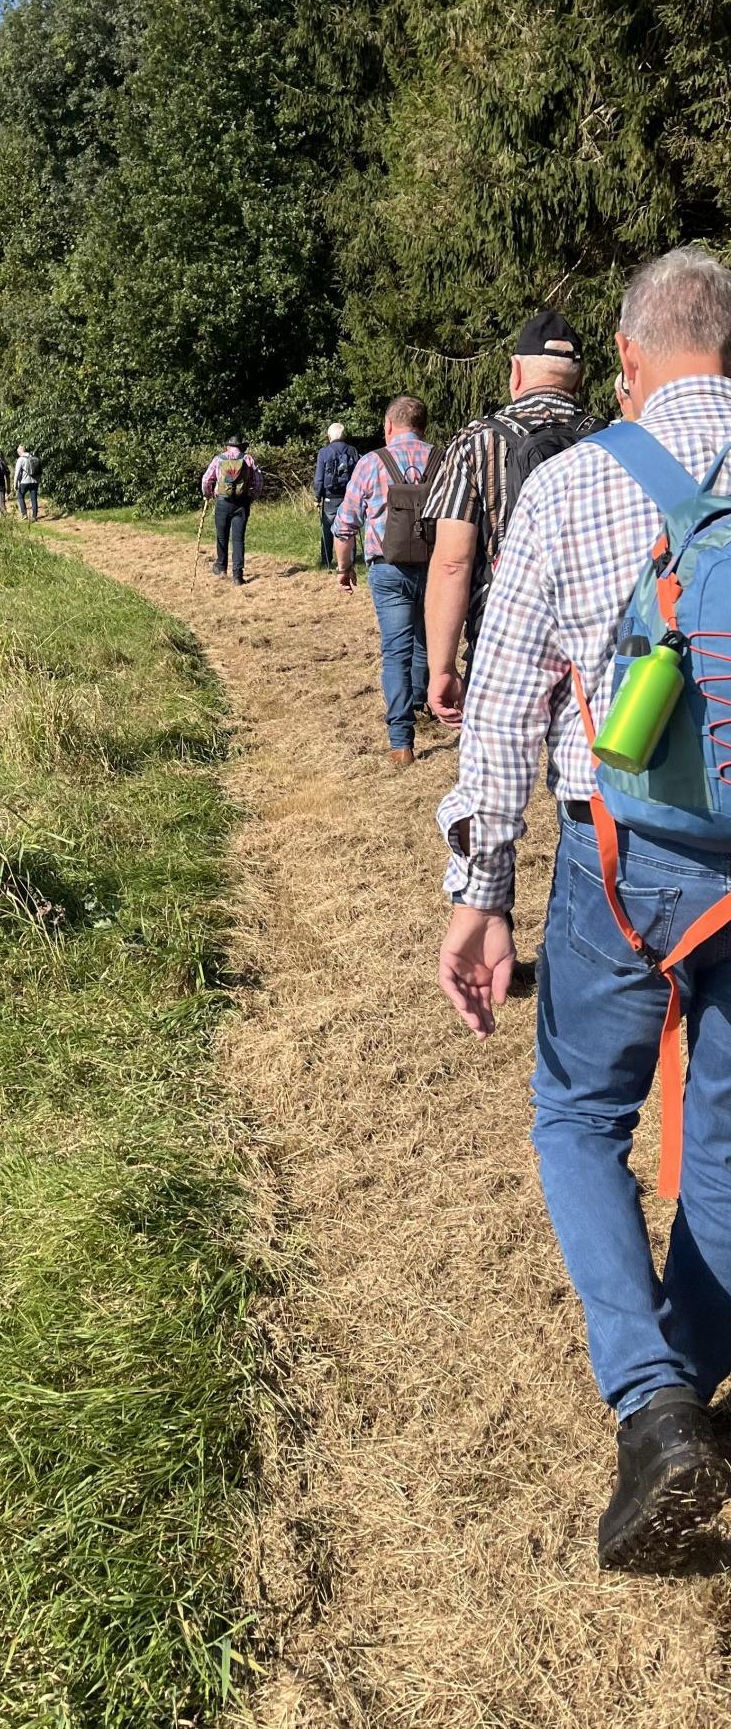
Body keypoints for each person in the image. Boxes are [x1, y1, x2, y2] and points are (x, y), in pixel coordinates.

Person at [436, 247, 731, 1571]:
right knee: (721, 1150)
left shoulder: (572, 483)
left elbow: (502, 704)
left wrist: (480, 892)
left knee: (577, 1117)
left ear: (626, 359)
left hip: (621, 858)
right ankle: (689, 1397)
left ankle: (653, 1403)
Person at [424, 311, 601, 725]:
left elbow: (452, 563)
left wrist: (443, 669)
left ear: (516, 371)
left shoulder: (476, 441)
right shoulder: (610, 438)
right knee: (585, 767)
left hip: (504, 633)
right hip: (592, 630)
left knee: (498, 775)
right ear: (579, 377)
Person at [334, 397, 439, 769]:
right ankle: (419, 700)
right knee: (427, 641)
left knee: (396, 651)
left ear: (388, 425)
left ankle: (401, 742)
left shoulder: (370, 463)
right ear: (423, 426)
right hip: (436, 568)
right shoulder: (444, 461)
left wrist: (344, 570)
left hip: (388, 569)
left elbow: (345, 525)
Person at [200, 433, 262, 585]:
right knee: (238, 539)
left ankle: (221, 567)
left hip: (222, 502)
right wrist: (251, 496)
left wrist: (208, 494)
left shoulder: (219, 459)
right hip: (242, 503)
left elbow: (206, 479)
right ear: (241, 446)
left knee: (222, 536)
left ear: (227, 445)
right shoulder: (248, 459)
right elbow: (259, 481)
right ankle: (237, 576)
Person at [313, 424, 360, 570]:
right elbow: (358, 474)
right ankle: (350, 560)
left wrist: (317, 497)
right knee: (348, 527)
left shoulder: (324, 452)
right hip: (349, 496)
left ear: (329, 436)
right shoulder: (352, 450)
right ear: (343, 436)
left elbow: (319, 478)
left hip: (330, 497)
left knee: (327, 528)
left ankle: (326, 561)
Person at [14, 444, 43, 521]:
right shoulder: (34, 458)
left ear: (20, 451)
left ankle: (24, 514)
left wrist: (15, 484)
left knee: (20, 496)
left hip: (24, 482)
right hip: (35, 481)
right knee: (34, 498)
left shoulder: (20, 459)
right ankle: (34, 515)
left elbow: (17, 473)